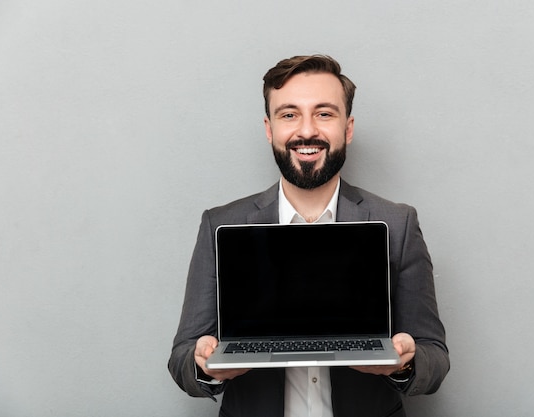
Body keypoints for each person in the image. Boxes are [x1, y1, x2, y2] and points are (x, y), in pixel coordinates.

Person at [168, 54, 449, 417]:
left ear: (347, 129)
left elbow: (434, 358)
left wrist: (405, 363)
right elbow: (181, 359)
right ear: (269, 129)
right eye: (289, 114)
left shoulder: (398, 223)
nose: (306, 131)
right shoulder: (220, 224)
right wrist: (203, 365)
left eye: (324, 113)